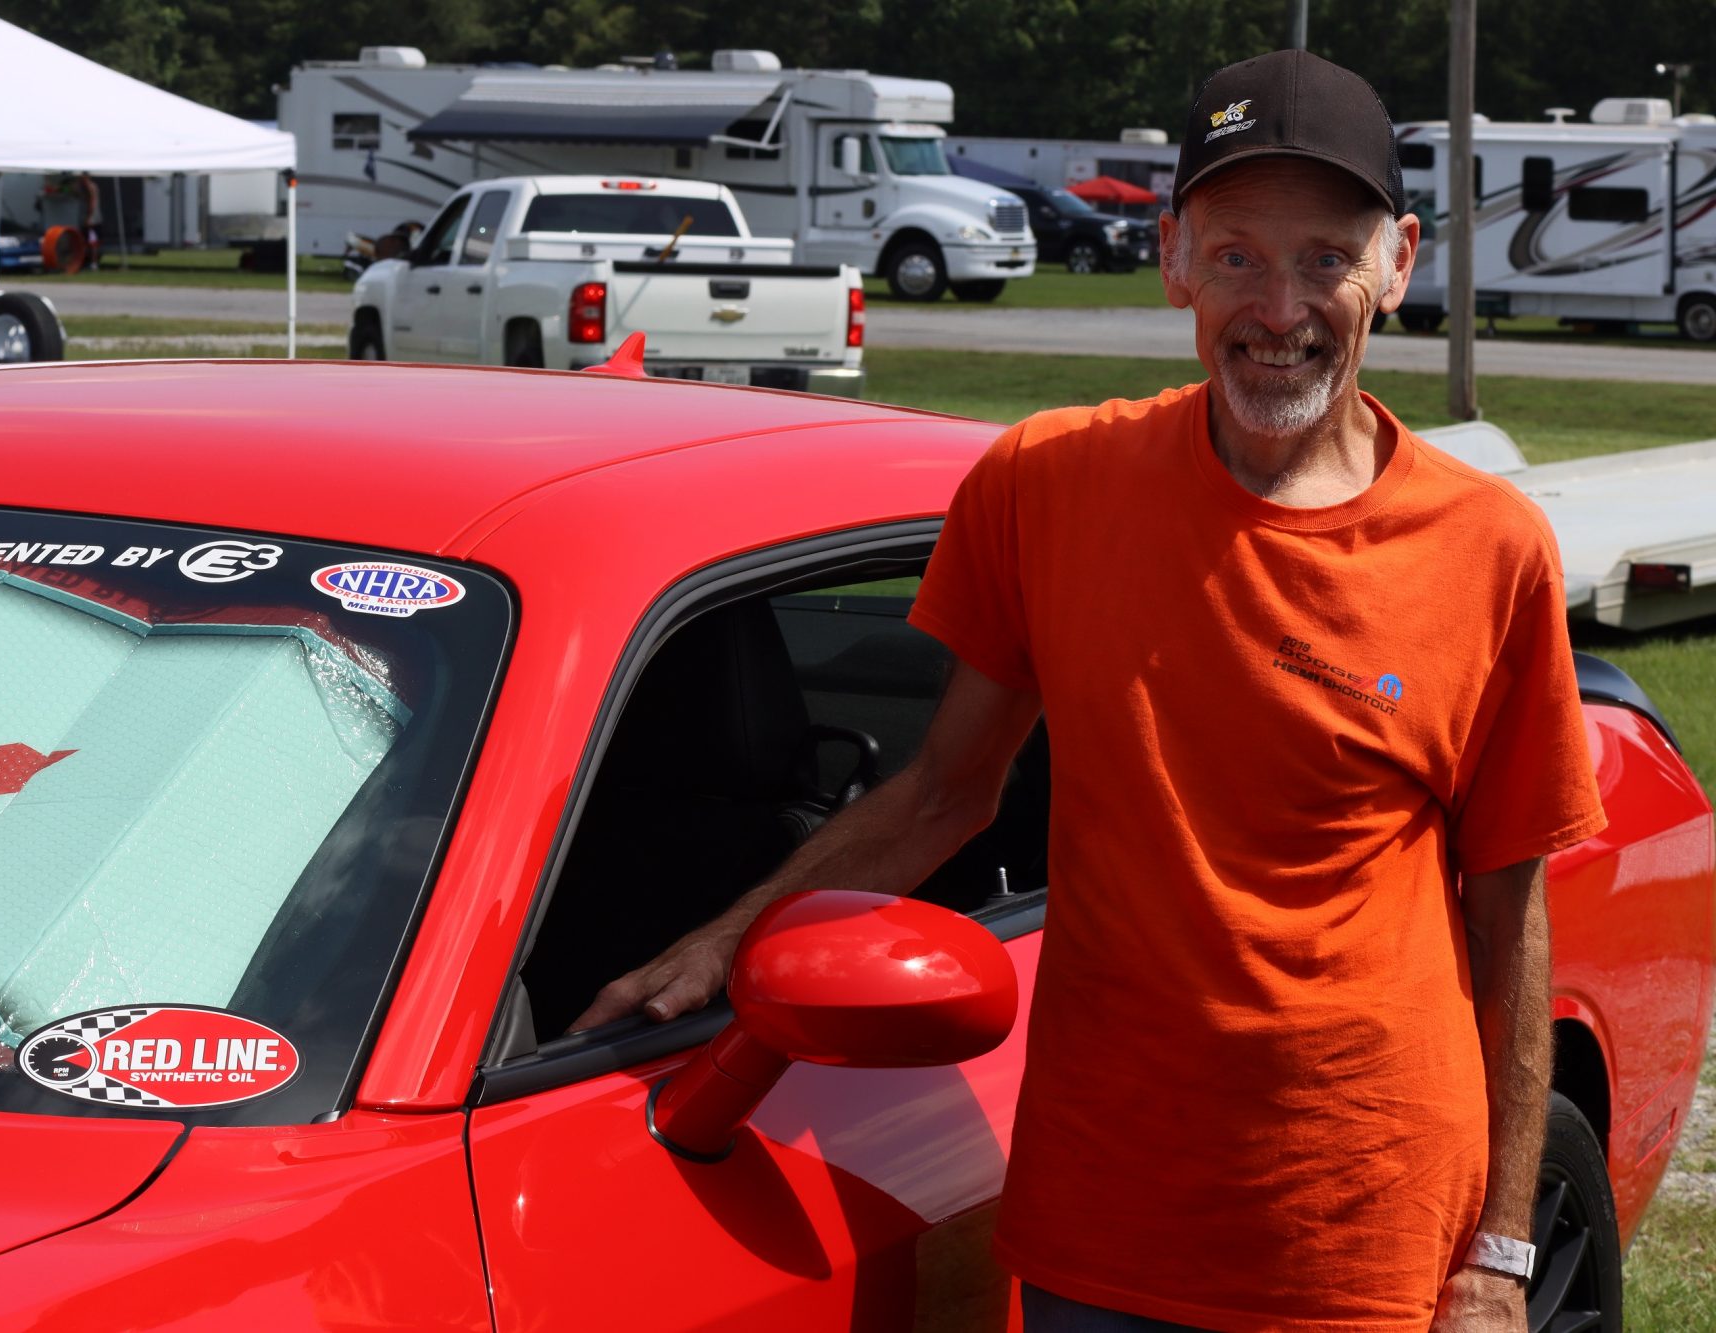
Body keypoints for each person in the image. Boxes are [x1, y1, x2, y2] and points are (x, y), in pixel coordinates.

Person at [572, 49, 1606, 1333]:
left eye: (1323, 259)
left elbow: (1510, 918)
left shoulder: (1486, 547)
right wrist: (730, 938)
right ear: (1172, 255)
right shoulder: (1043, 488)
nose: (1276, 306)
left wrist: (1498, 1253)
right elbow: (945, 792)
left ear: (1395, 263)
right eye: (1234, 255)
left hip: (1360, 1238)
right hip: (1097, 1238)